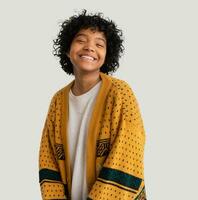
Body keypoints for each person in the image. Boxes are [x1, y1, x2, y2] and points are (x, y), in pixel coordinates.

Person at [38, 9, 146, 200]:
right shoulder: (58, 101)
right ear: (67, 49)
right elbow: (48, 157)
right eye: (81, 40)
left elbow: (128, 152)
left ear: (106, 54)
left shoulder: (120, 93)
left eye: (99, 44)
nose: (89, 47)